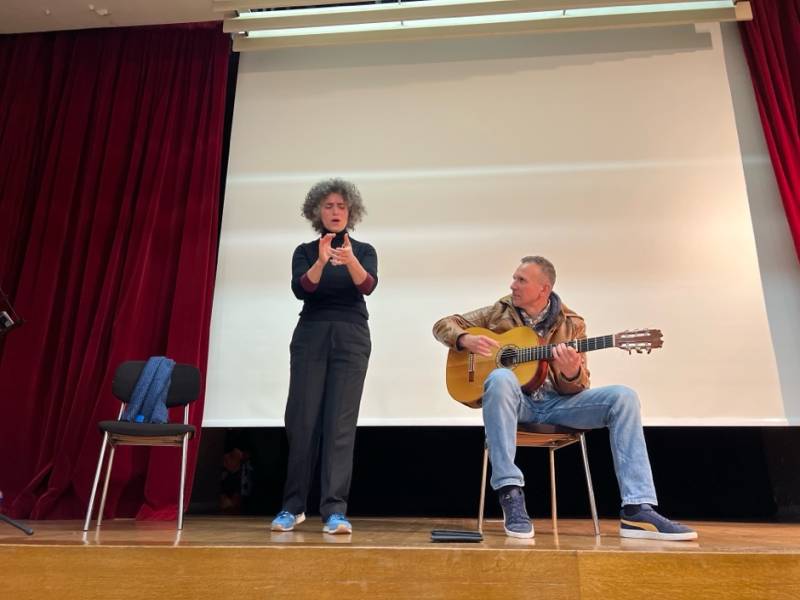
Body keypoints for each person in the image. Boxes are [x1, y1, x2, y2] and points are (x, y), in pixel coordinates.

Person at [432, 255, 696, 541]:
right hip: (516, 406)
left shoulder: (572, 324)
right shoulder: (499, 311)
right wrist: (463, 339)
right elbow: (443, 324)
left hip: (558, 406)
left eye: (521, 280)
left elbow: (580, 385)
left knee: (624, 397)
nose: (513, 285)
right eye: (514, 279)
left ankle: (637, 509)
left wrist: (571, 373)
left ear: (543, 289)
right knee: (499, 377)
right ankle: (510, 492)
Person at [271, 178, 377, 535]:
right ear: (317, 211)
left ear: (351, 212)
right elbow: (303, 289)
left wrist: (348, 260)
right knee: (302, 422)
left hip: (351, 336)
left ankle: (334, 511)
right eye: (329, 206)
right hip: (311, 335)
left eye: (341, 207)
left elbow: (367, 286)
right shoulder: (304, 250)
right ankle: (292, 507)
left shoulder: (363, 250)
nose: (335, 212)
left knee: (339, 426)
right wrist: (319, 260)